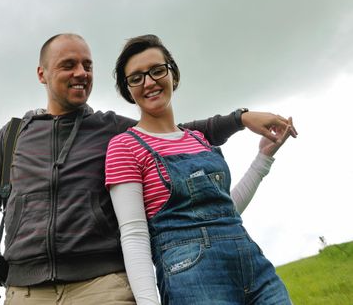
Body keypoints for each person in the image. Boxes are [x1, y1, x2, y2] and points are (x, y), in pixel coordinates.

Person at [0, 33, 296, 305]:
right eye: (68, 65)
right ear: (42, 74)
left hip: (104, 285)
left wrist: (241, 118)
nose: (81, 73)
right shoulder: (11, 136)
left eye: (88, 65)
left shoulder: (113, 130)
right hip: (25, 291)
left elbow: (178, 133)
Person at [105, 34, 294, 304]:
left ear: (173, 75)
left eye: (157, 71)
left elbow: (225, 211)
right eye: (135, 78)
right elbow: (134, 234)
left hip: (253, 264)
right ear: (128, 90)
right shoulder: (124, 146)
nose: (148, 82)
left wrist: (263, 159)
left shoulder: (199, 139)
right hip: (191, 276)